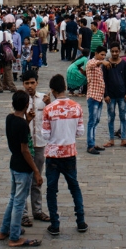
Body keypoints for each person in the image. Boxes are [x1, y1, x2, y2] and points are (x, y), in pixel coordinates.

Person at [41, 73, 88, 237]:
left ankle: (55, 224)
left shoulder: (48, 109)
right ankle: (80, 221)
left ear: (52, 90)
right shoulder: (77, 107)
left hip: (53, 155)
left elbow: (45, 136)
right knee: (74, 187)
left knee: (52, 190)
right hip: (69, 153)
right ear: (65, 88)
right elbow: (80, 132)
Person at [0, 90, 43, 247]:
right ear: (26, 105)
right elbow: (25, 149)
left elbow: (17, 135)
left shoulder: (10, 119)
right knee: (19, 201)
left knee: (13, 198)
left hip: (14, 163)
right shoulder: (21, 125)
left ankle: (5, 229)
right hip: (23, 166)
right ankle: (15, 236)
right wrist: (36, 171)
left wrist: (27, 120)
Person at [21, 69, 50, 225]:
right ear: (23, 84)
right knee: (24, 180)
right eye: (27, 83)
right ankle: (23, 213)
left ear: (37, 83)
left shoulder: (43, 100)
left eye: (32, 83)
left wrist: (49, 105)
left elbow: (51, 119)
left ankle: (37, 211)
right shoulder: (19, 100)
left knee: (37, 179)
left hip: (39, 144)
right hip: (25, 146)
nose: (30, 86)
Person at [102, 45, 126, 148]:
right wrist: (105, 94)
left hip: (122, 95)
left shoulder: (124, 63)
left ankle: (123, 139)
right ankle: (111, 139)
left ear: (119, 51)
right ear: (110, 51)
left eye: (116, 51)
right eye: (113, 51)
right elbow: (104, 80)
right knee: (111, 117)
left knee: (123, 117)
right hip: (111, 95)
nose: (114, 53)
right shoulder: (106, 64)